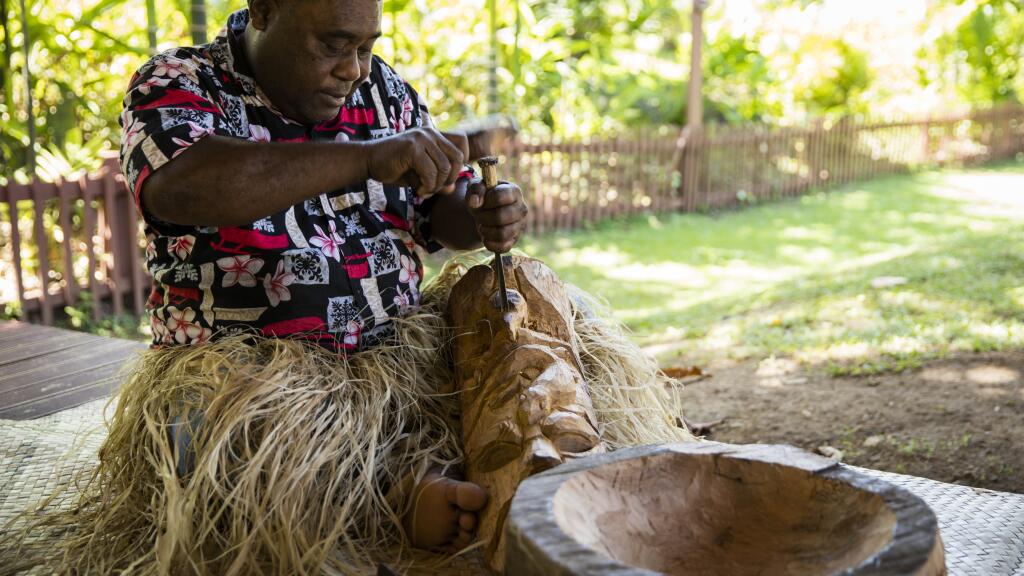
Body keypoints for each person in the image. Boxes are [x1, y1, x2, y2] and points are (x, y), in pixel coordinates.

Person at [117, 0, 526, 563]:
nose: (354, 69)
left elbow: (438, 209)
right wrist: (363, 159)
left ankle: (408, 468)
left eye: (366, 47)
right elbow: (180, 186)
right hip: (249, 379)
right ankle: (390, 491)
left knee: (529, 337)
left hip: (396, 361)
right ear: (263, 10)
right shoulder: (179, 83)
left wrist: (477, 215)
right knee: (207, 444)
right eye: (333, 45)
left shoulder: (386, 91)